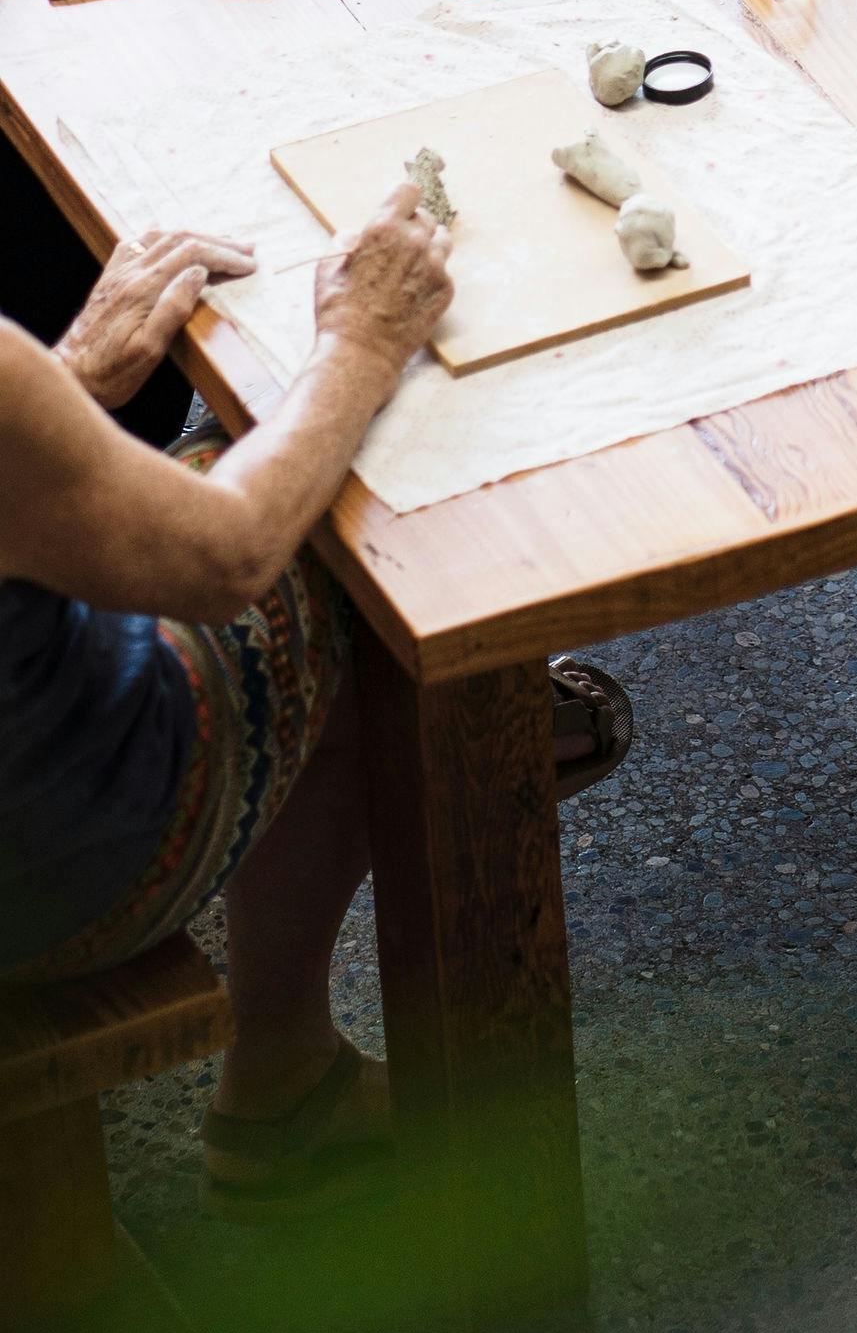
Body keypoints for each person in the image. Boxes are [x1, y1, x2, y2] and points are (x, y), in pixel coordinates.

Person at [0, 184, 630, 1216]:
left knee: (249, 447)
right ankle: (478, 734)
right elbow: (230, 551)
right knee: (362, 510)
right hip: (52, 874)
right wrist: (362, 338)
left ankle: (290, 1064)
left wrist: (61, 383)